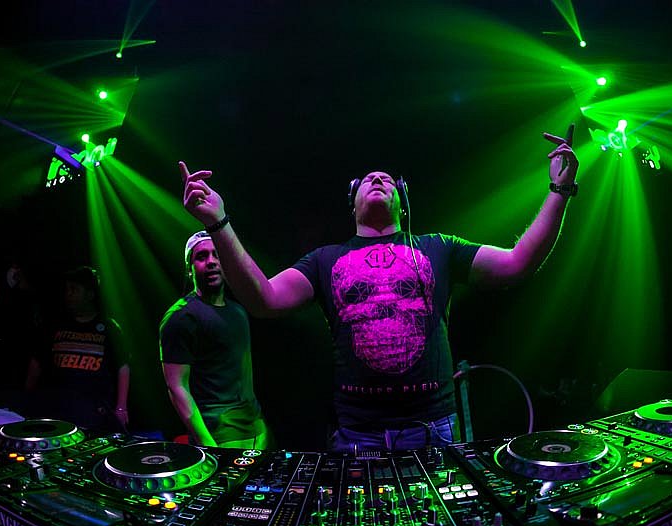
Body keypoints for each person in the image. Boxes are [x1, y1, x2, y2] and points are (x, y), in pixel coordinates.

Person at [177, 127, 578, 451]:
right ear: (352, 203)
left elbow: (518, 263)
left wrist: (559, 192)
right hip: (357, 435)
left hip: (433, 430)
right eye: (368, 179)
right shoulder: (324, 260)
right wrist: (218, 224)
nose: (377, 179)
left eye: (386, 179)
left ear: (402, 201)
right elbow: (263, 299)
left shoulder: (439, 248)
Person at [158, 231, 272, 449]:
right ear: (189, 269)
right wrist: (207, 442)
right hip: (219, 433)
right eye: (201, 257)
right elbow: (176, 386)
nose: (211, 262)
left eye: (217, 254)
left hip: (257, 428)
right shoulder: (181, 317)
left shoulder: (238, 311)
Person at [25, 266, 131, 432]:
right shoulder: (55, 326)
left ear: (90, 294)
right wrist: (28, 397)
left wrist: (121, 408)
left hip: (95, 416)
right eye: (67, 289)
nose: (68, 294)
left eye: (74, 289)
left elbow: (123, 367)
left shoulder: (109, 328)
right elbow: (37, 362)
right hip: (57, 413)